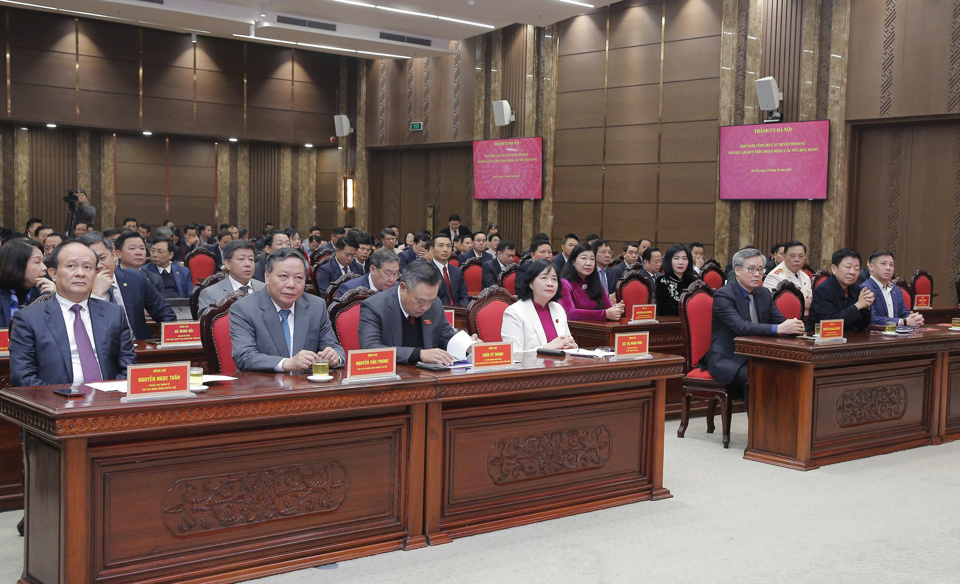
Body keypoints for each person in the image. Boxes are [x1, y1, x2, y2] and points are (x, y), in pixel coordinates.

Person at [9, 240, 136, 387]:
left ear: (95, 274)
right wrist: (63, 400)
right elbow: (23, 377)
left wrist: (110, 396)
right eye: (71, 266)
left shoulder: (114, 314)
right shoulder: (28, 318)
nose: (80, 273)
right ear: (54, 274)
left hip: (107, 402)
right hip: (54, 403)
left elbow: (128, 368)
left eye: (87, 267)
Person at [701, 247, 804, 410]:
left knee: (790, 373)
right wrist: (778, 329)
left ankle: (782, 428)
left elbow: (781, 322)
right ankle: (758, 432)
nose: (757, 274)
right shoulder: (723, 295)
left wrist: (794, 326)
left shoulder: (763, 293)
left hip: (758, 354)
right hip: (728, 356)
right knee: (757, 378)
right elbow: (740, 327)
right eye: (751, 269)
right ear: (737, 270)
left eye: (760, 269)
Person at [230, 248, 344, 373]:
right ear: (267, 276)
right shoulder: (244, 308)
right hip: (263, 387)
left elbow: (334, 347)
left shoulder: (316, 306)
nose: (291, 284)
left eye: (298, 278)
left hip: (305, 386)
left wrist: (335, 357)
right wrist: (287, 363)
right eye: (283, 276)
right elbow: (244, 356)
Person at [358, 260, 475, 365]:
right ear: (403, 288)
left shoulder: (435, 304)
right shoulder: (375, 307)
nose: (426, 307)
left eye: (431, 301)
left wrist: (466, 345)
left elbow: (446, 337)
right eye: (420, 301)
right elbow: (370, 348)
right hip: (391, 377)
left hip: (429, 376)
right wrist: (418, 354)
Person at [78, 232, 177, 340]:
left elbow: (167, 314)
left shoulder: (135, 279)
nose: (98, 266)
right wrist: (96, 295)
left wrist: (160, 344)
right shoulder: (76, 287)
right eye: (89, 262)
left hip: (140, 349)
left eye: (102, 258)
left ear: (114, 255)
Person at [501, 259, 577, 354]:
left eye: (554, 279)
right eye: (544, 278)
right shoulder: (514, 312)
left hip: (561, 366)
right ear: (531, 283)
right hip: (531, 368)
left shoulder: (558, 308)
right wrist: (548, 347)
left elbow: (566, 341)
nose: (550, 283)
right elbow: (514, 355)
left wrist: (571, 346)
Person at [807, 248, 875, 333]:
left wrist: (866, 306)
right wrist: (857, 306)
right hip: (820, 340)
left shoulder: (857, 289)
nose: (852, 272)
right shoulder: (823, 290)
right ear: (834, 268)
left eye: (856, 268)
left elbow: (862, 325)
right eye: (848, 267)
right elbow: (830, 325)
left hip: (850, 339)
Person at [197, 240, 265, 318]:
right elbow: (205, 327)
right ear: (227, 263)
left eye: (251, 260)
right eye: (241, 259)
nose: (248, 264)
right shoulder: (210, 294)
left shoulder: (264, 289)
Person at [558, 242, 624, 321]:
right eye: (583, 258)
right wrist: (604, 314)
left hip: (598, 329)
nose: (588, 263)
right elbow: (569, 313)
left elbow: (608, 308)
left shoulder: (596, 283)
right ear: (573, 261)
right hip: (575, 331)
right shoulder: (564, 283)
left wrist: (616, 310)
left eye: (592, 259)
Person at [859, 250, 923, 327]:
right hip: (875, 336)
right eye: (883, 264)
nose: (888, 268)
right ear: (871, 267)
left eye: (891, 265)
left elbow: (904, 312)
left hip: (896, 335)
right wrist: (902, 322)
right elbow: (872, 319)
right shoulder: (865, 288)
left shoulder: (896, 289)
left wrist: (914, 318)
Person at [0, 239, 54, 328]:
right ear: (16, 265)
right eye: (37, 262)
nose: (44, 267)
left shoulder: (46, 293)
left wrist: (58, 298)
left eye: (43, 262)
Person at [762, 240, 813, 313]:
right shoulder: (774, 276)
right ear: (784, 256)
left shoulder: (805, 276)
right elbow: (772, 306)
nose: (797, 260)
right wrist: (803, 303)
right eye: (792, 256)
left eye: (801, 256)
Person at [655, 244, 696, 316]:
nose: (681, 262)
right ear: (669, 260)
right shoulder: (662, 281)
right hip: (670, 323)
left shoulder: (692, 281)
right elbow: (664, 310)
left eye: (684, 258)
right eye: (676, 258)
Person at [428, 234, 469, 305]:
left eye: (448, 246)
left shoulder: (457, 271)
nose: (445, 250)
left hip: (458, 311)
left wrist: (461, 310)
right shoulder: (426, 271)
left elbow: (464, 296)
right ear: (432, 249)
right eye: (440, 245)